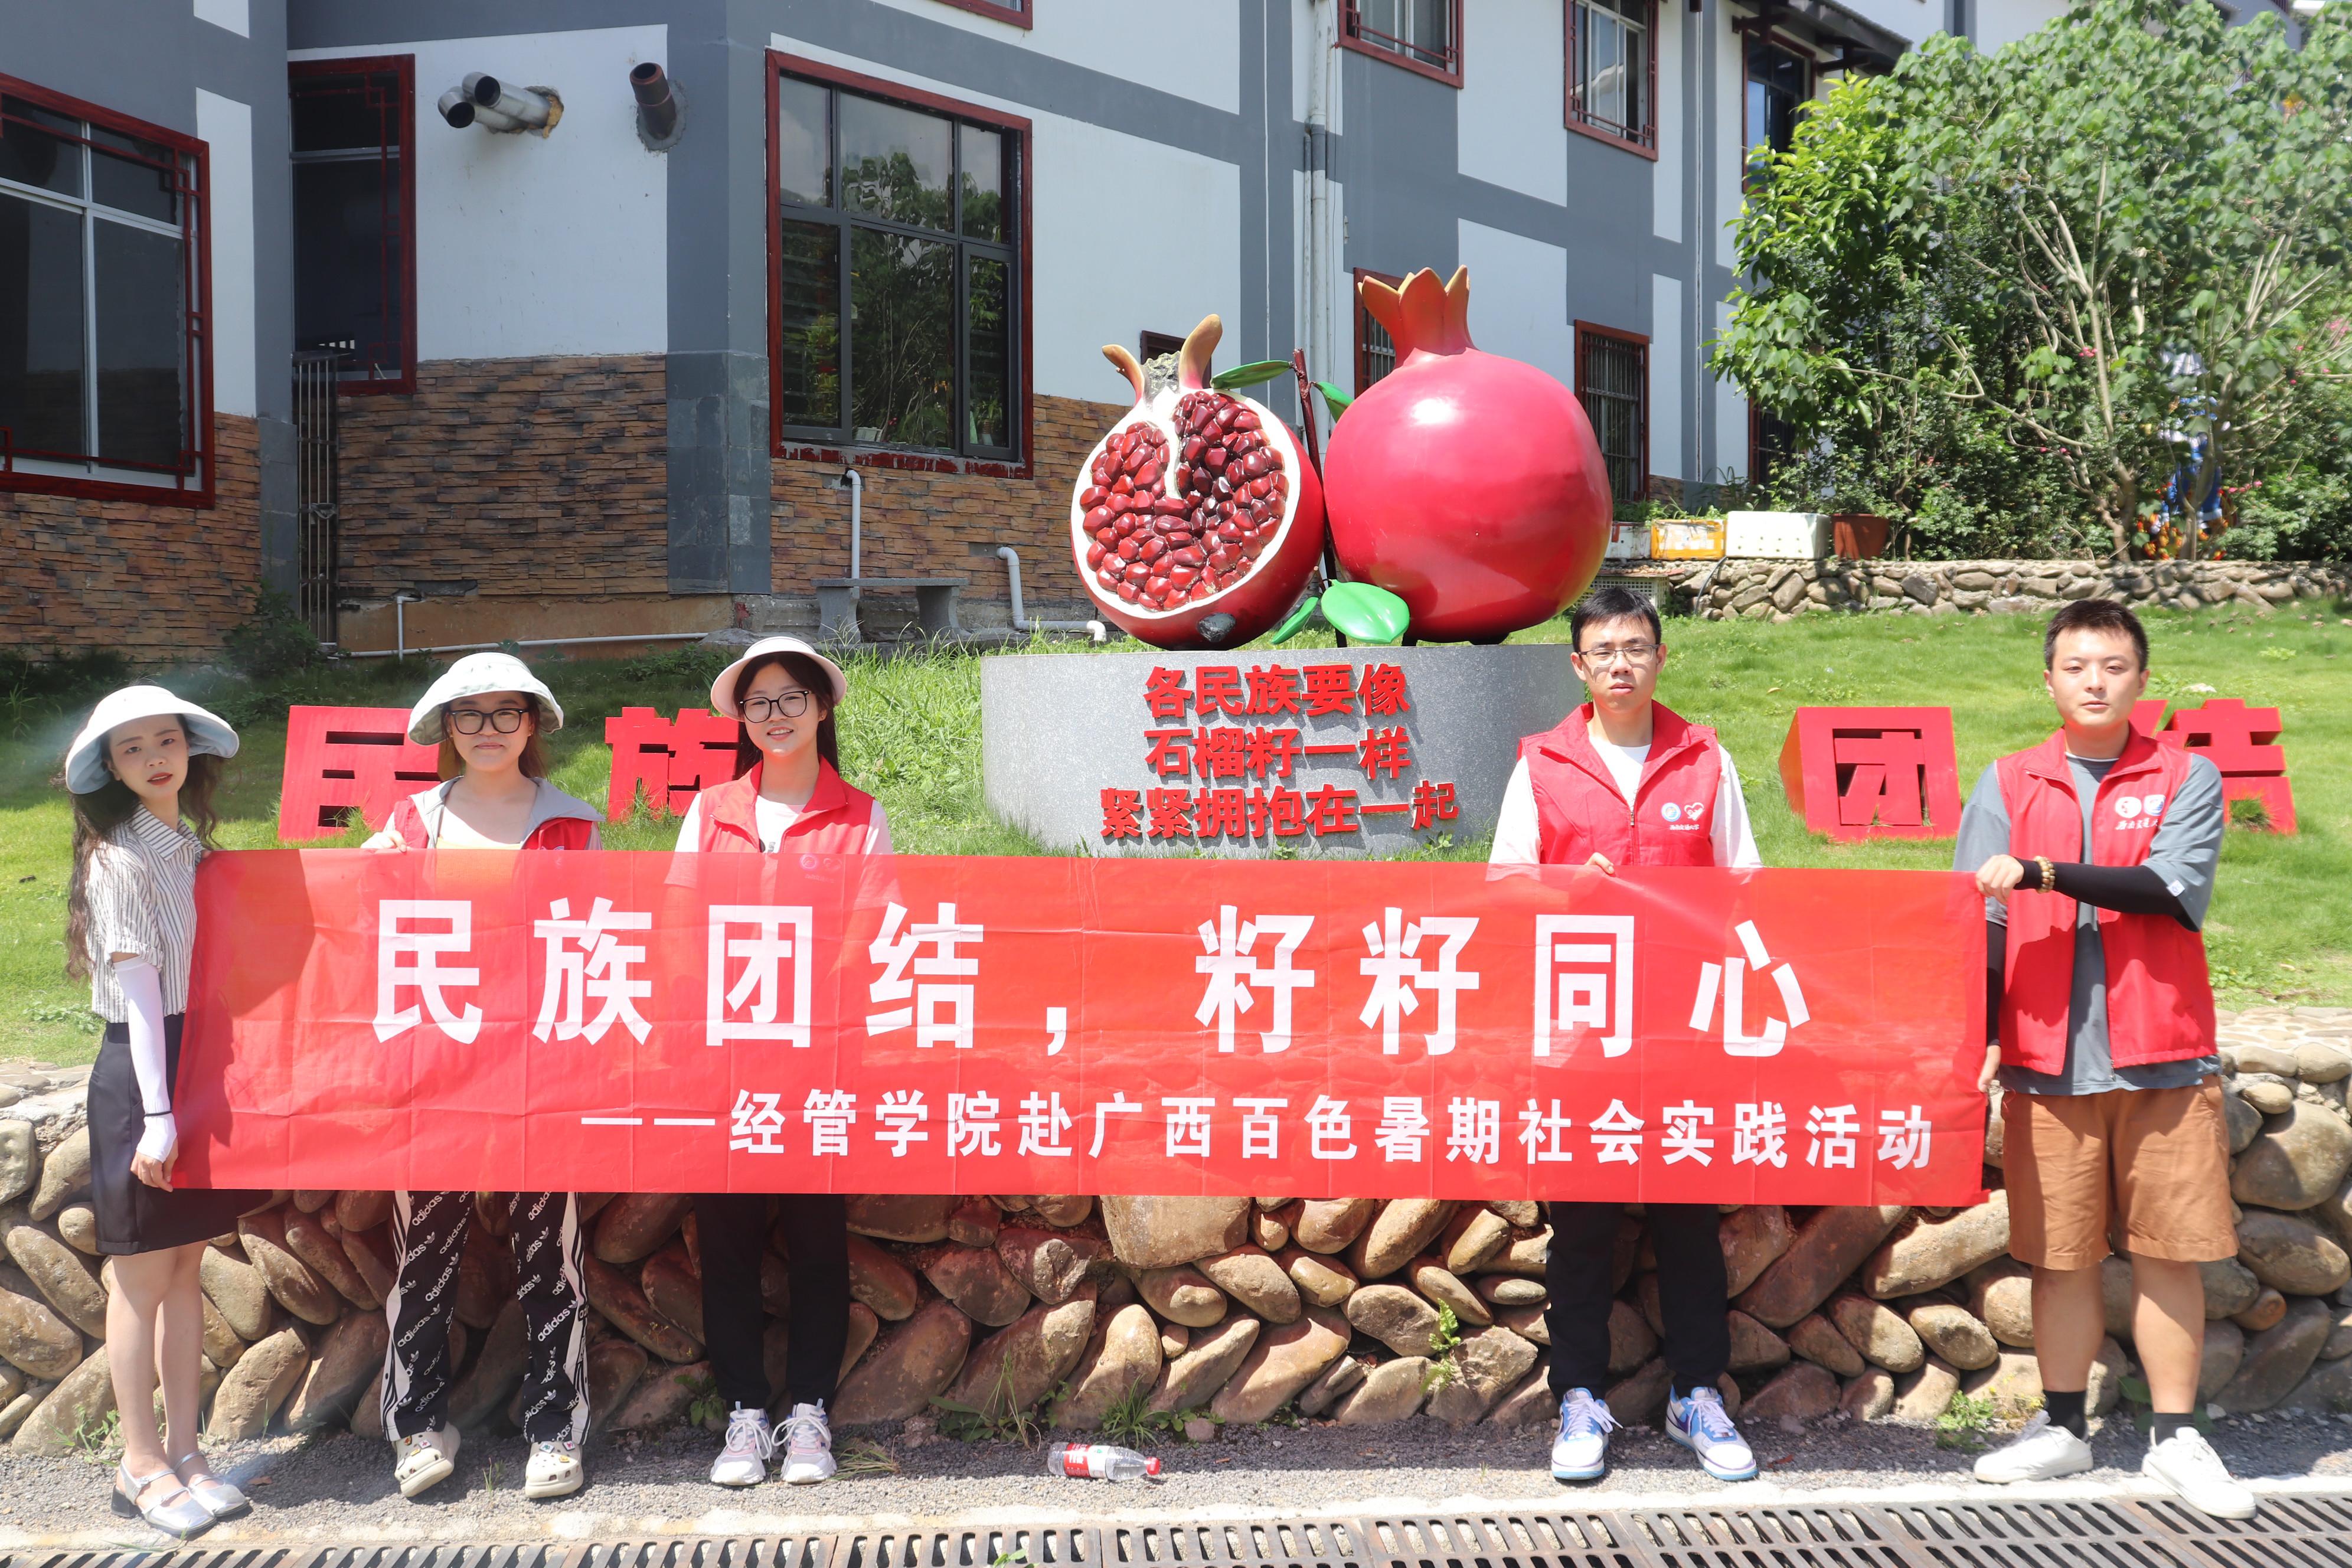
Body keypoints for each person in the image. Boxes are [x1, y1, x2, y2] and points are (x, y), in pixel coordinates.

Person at [1957, 600, 2251, 1519]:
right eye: (2077, 666)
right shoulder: (2008, 781)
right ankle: (2062, 1429)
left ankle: (2177, 1437)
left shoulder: (2186, 775)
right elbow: (1979, 919)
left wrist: (2042, 872)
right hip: (2047, 1055)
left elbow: (2169, 889)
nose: (2095, 682)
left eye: (2114, 667)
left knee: (2170, 1254)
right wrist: (1984, 1029)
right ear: (2049, 679)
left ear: (2142, 680)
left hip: (2163, 1054)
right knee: (2061, 1258)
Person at [1489, 586, 1761, 1485]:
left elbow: (1748, 886)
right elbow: (1504, 889)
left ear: (1661, 657)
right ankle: (1578, 1396)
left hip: (1685, 1030)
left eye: (1636, 648)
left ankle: (1697, 1395)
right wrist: (1569, 889)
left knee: (1689, 1222)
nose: (1620, 665)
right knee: (1582, 1226)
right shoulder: (1542, 764)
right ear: (1578, 665)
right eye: (1603, 650)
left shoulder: (1705, 759)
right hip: (1580, 1030)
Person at [364, 652, 602, 1502]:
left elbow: (600, 946)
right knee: (424, 1252)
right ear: (447, 729)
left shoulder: (575, 825)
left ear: (533, 724)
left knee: (551, 1256)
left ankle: (554, 1428)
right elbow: (370, 933)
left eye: (508, 713)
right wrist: (365, 874)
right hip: (436, 1072)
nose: (489, 730)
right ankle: (418, 1423)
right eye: (471, 715)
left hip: (543, 1071)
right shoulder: (410, 824)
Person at [673, 635, 891, 1488]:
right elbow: (678, 925)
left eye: (791, 698)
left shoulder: (860, 815)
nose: (775, 715)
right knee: (726, 1240)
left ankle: (809, 1415)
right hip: (725, 1063)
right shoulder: (711, 812)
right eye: (758, 702)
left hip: (818, 1064)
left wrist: (815, 1026)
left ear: (822, 707)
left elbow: (872, 933)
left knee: (816, 1240)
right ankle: (744, 1414)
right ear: (741, 718)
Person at [64, 686, 260, 1538]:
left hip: (196, 1064)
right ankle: (138, 1463)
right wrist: (158, 1115)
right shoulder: (118, 859)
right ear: (111, 767)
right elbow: (141, 997)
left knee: (185, 1273)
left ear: (190, 750)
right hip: (144, 1076)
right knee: (141, 1280)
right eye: (133, 748)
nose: (155, 758)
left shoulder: (193, 852)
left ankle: (188, 1452)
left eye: (167, 740)